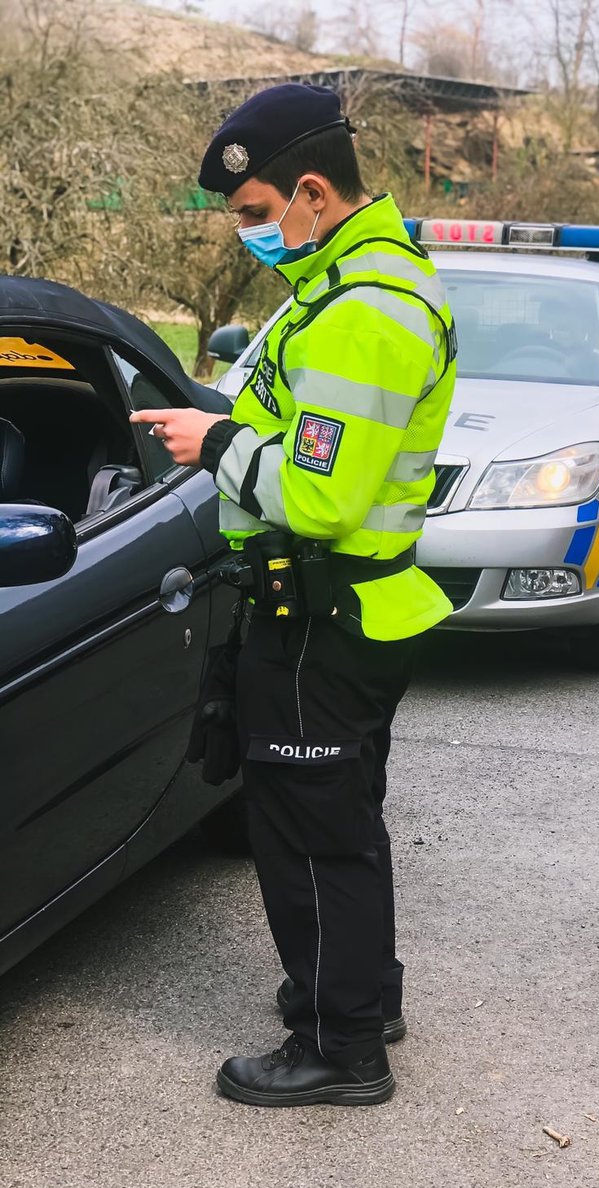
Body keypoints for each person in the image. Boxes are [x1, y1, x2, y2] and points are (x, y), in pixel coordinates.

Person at [131, 83, 456, 1107]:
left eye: (254, 212)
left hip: (321, 613)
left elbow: (319, 497)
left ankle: (339, 1044)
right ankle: (357, 990)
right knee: (340, 816)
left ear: (311, 192)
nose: (248, 235)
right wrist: (230, 417)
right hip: (346, 609)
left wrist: (215, 440)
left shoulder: (364, 314)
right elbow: (298, 422)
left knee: (310, 829)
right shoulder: (344, 284)